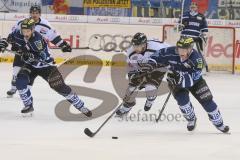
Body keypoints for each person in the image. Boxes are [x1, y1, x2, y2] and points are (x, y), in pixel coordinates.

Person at [0, 18, 92, 117]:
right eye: (23, 31)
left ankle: (80, 105)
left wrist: (30, 55)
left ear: (33, 29)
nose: (25, 33)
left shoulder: (37, 40)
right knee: (20, 82)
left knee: (59, 87)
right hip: (31, 66)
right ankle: (28, 106)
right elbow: (10, 38)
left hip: (46, 66)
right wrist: (4, 43)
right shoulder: (18, 33)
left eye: (27, 31)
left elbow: (42, 56)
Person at [139, 37, 229, 133]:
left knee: (207, 101)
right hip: (175, 82)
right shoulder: (170, 51)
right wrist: (150, 64)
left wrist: (180, 78)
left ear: (190, 49)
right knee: (183, 102)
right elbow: (157, 56)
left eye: (184, 49)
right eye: (179, 48)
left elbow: (193, 77)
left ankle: (219, 124)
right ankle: (191, 119)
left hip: (196, 82)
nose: (181, 51)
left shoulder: (197, 59)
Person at [6, 4, 71, 97]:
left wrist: (63, 45)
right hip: (22, 49)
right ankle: (13, 88)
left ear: (40, 14)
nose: (34, 15)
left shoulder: (45, 24)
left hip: (36, 52)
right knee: (16, 71)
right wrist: (14, 44)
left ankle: (26, 92)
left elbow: (53, 37)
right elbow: (13, 35)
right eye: (32, 13)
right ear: (30, 13)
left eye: (36, 13)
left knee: (31, 72)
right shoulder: (22, 22)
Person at [115, 32, 170, 116]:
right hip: (142, 67)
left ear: (144, 44)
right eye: (134, 45)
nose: (135, 48)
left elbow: (173, 53)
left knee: (150, 88)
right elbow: (131, 68)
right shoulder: (131, 52)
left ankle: (150, 99)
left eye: (138, 46)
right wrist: (133, 75)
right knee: (132, 88)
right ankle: (127, 107)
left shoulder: (157, 48)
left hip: (158, 67)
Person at [177, 2, 209, 71]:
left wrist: (204, 37)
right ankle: (181, 67)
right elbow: (177, 28)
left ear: (197, 8)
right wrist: (179, 26)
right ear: (189, 7)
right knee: (181, 53)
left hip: (195, 39)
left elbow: (204, 30)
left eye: (194, 7)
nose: (193, 8)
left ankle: (200, 68)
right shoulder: (184, 15)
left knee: (197, 54)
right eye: (191, 6)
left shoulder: (201, 16)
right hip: (184, 38)